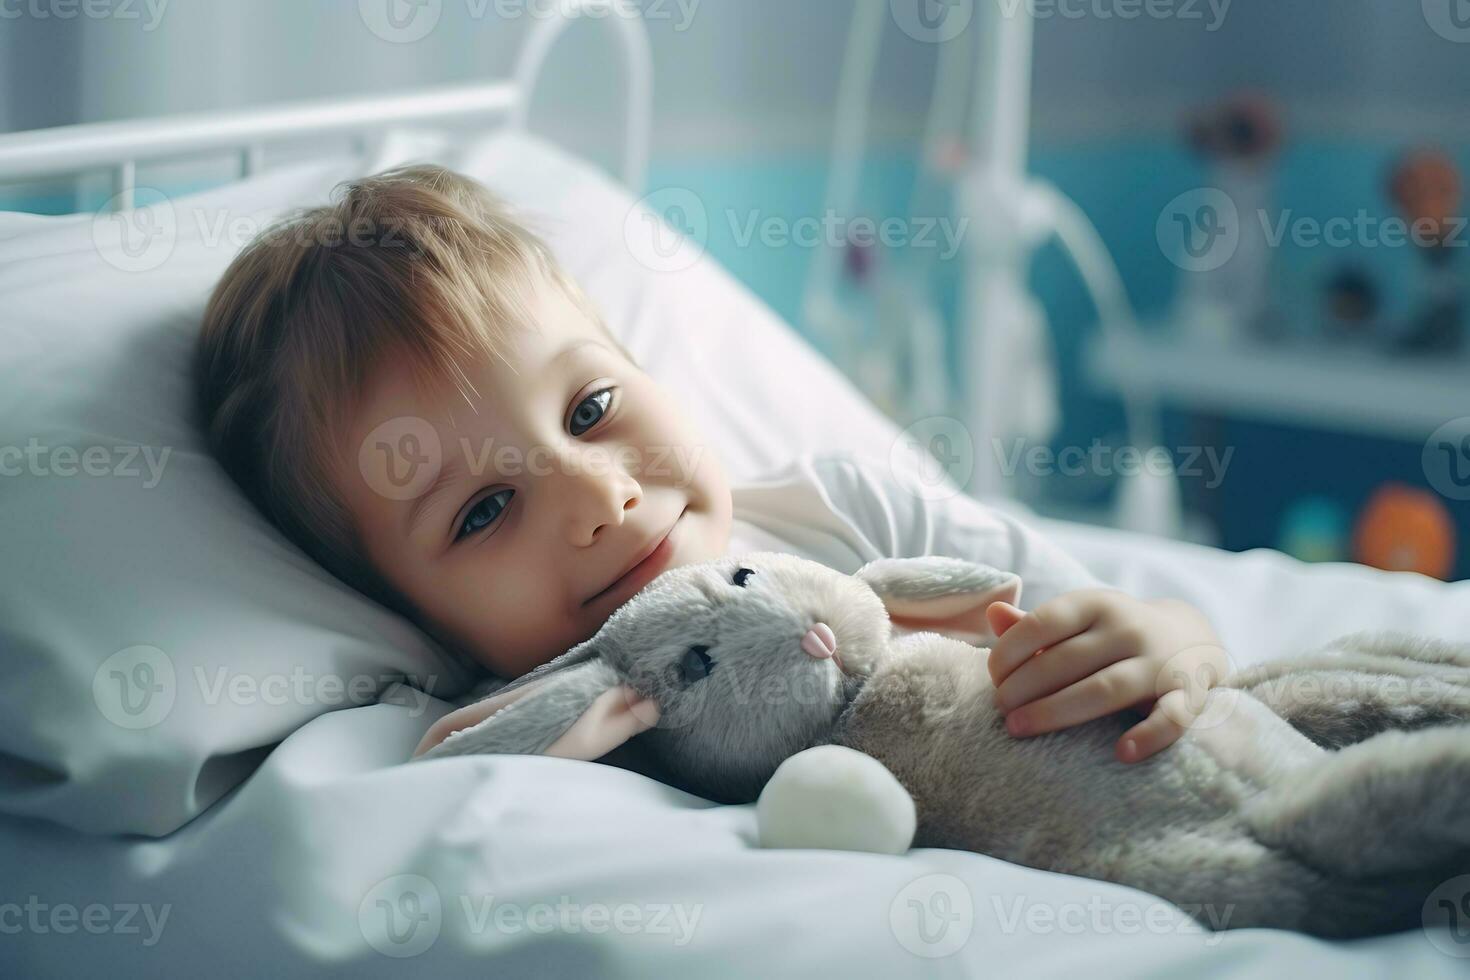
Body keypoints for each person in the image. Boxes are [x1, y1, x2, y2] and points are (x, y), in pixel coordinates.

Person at [194, 164, 1227, 767]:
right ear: (403, 606)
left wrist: (1167, 637)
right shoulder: (528, 727)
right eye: (485, 508)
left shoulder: (844, 507)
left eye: (591, 407)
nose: (602, 495)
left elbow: (1098, 610)